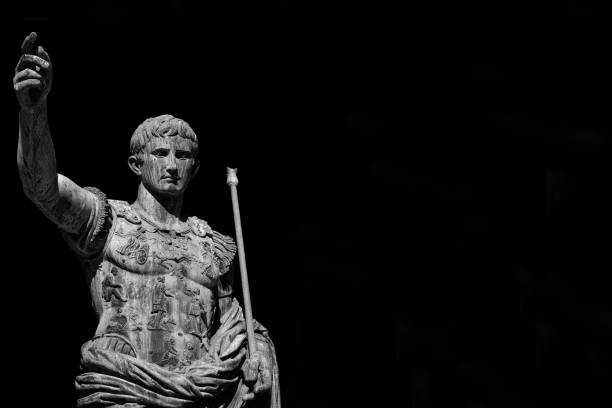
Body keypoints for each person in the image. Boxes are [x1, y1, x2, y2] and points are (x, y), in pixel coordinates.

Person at [14, 32, 280, 408]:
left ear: (196, 167)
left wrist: (261, 349)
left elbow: (235, 326)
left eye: (183, 156)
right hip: (123, 389)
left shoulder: (213, 246)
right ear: (135, 165)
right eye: (160, 152)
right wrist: (33, 113)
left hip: (202, 393)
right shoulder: (108, 222)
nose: (172, 165)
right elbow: (42, 188)